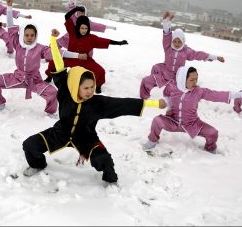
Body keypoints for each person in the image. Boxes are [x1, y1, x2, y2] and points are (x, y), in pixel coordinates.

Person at [21, 28, 167, 184]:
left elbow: (125, 104)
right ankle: (38, 165)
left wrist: (154, 103)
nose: (90, 91)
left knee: (104, 159)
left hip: (86, 138)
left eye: (92, 87)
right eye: (86, 88)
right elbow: (58, 62)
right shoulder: (65, 90)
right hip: (60, 132)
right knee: (29, 145)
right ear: (75, 86)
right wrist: (52, 41)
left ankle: (111, 182)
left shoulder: (98, 103)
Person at [142, 66, 242, 153]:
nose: (195, 82)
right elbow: (166, 94)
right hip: (174, 122)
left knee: (213, 133)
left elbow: (218, 95)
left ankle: (210, 149)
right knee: (157, 120)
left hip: (193, 124)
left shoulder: (199, 91)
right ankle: (152, 141)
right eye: (191, 80)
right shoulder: (172, 87)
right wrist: (169, 107)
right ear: (182, 79)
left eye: (196, 79)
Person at [0, 0, 58, 114]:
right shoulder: (18, 44)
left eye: (32, 35)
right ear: (22, 35)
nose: (29, 38)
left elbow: (54, 54)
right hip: (17, 77)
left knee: (52, 92)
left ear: (36, 36)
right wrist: (9, 8)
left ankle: (50, 113)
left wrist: (54, 40)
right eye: (27, 35)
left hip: (35, 80)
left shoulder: (41, 48)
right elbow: (10, 28)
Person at [140, 11, 225, 99]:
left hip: (178, 78)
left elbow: (198, 54)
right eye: (175, 41)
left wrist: (214, 57)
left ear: (183, 41)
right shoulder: (168, 47)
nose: (177, 44)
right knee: (146, 81)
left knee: (173, 93)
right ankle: (144, 97)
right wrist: (166, 21)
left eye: (179, 42)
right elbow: (167, 34)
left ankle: (171, 103)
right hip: (164, 74)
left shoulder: (186, 51)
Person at [44, 6, 128, 94]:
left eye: (86, 28)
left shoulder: (91, 38)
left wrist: (118, 43)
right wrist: (76, 9)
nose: (84, 30)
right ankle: (49, 76)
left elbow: (105, 41)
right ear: (78, 27)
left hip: (84, 60)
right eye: (82, 28)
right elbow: (66, 17)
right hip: (70, 58)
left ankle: (98, 86)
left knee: (100, 71)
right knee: (53, 63)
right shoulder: (72, 32)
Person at [43, 0, 117, 83]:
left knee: (86, 56)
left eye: (82, 12)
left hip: (81, 45)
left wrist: (110, 27)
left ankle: (88, 72)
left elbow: (99, 26)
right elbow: (71, 4)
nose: (79, 13)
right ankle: (48, 60)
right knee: (54, 46)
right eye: (78, 12)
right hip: (68, 39)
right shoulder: (73, 16)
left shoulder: (88, 23)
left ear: (85, 14)